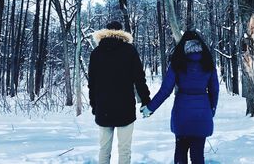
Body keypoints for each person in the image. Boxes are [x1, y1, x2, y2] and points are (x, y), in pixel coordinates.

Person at [142, 30, 219, 164]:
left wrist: (150, 108)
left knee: (180, 152)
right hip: (202, 113)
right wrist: (211, 109)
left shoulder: (178, 61)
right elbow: (215, 90)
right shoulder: (208, 62)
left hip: (182, 113)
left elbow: (166, 90)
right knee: (198, 156)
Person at [88, 21, 151, 164]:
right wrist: (145, 99)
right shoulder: (129, 50)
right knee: (124, 148)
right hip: (125, 107)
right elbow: (139, 78)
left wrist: (94, 105)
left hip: (103, 106)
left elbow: (92, 83)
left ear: (105, 31)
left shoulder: (96, 52)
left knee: (104, 149)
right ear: (122, 33)